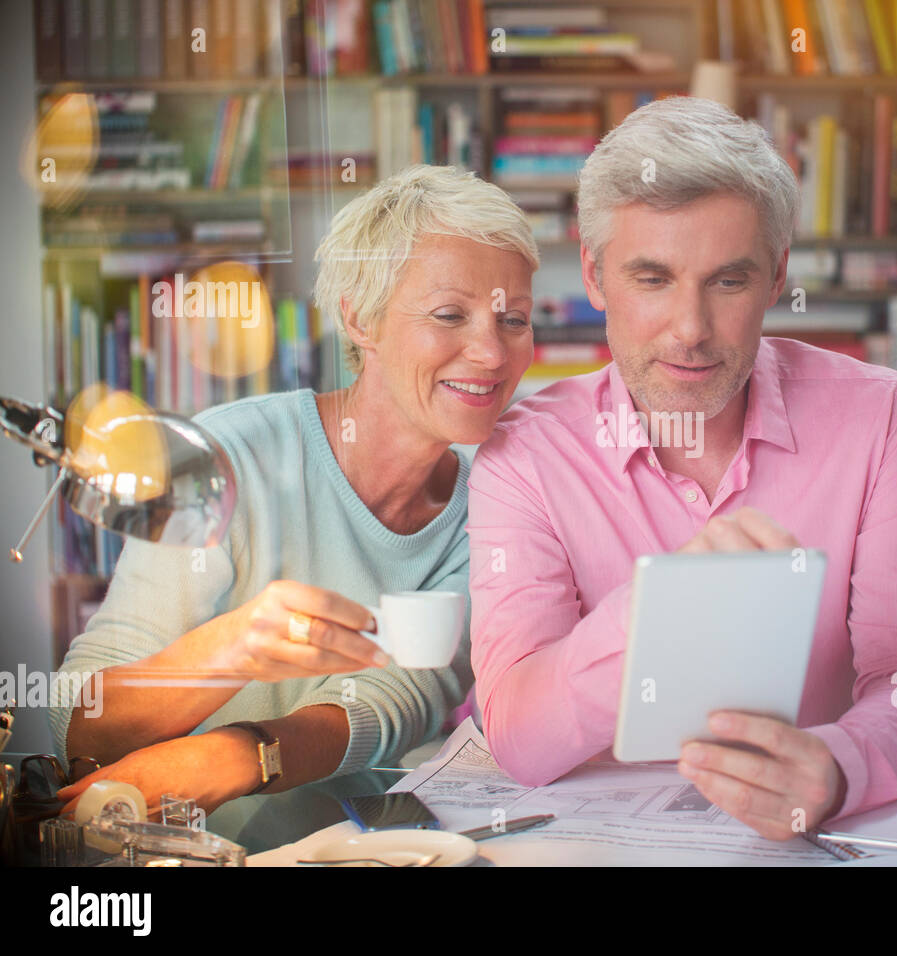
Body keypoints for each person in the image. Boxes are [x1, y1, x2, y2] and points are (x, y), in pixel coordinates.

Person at [467, 96, 897, 841]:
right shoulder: (524, 455)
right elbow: (516, 732)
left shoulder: (882, 417)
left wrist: (838, 767)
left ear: (776, 278)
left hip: (810, 841)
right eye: (652, 279)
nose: (691, 330)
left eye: (728, 282)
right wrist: (661, 613)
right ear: (595, 275)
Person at [52, 165, 538, 816]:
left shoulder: (498, 503)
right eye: (451, 314)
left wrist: (244, 753)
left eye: (515, 321)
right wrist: (231, 649)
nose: (491, 353)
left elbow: (403, 699)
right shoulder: (226, 457)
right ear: (361, 320)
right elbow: (74, 725)